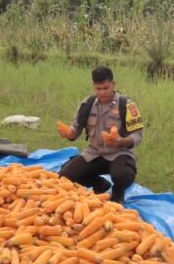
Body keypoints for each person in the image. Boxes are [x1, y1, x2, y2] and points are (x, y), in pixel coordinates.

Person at [56, 66, 144, 203]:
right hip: (94, 153)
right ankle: (100, 184)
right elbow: (76, 128)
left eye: (106, 88)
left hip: (118, 153)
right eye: (98, 88)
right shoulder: (87, 104)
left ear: (113, 84)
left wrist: (121, 141)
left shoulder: (127, 105)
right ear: (93, 86)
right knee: (64, 177)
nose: (102, 92)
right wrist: (69, 133)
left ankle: (118, 192)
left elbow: (137, 135)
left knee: (123, 175)